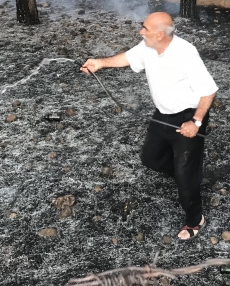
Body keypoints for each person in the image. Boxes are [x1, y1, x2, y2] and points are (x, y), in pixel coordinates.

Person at [80, 12, 218, 241]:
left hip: (188, 117)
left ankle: (195, 218)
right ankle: (182, 170)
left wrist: (196, 122)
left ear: (160, 34)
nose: (140, 32)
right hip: (162, 114)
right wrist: (100, 64)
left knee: (186, 177)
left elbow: (209, 90)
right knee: (150, 159)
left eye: (144, 28)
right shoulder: (148, 46)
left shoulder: (185, 54)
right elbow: (127, 58)